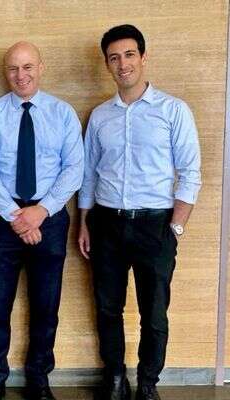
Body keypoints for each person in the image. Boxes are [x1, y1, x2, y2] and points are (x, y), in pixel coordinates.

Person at [77, 25, 201, 400]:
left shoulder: (173, 110)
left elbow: (191, 172)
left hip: (155, 225)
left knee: (155, 312)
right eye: (114, 58)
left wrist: (175, 227)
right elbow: (88, 174)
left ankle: (148, 382)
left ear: (143, 57)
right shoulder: (100, 116)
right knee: (107, 308)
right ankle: (115, 378)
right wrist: (84, 223)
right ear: (107, 64)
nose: (123, 64)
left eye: (129, 54)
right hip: (106, 223)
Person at [0, 41, 84, 400]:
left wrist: (41, 211)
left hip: (49, 218)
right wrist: (16, 216)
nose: (20, 75)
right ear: (5, 72)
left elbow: (74, 168)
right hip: (3, 218)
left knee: (46, 305)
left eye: (27, 67)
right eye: (13, 68)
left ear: (41, 67)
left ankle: (38, 377)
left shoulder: (62, 113)